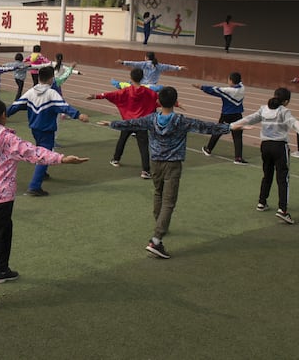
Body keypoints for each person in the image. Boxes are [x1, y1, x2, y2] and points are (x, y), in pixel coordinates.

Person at [0, 99, 88, 311]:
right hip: (1, 198)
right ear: (3, 115)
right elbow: (34, 153)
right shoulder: (7, 138)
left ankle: (2, 270)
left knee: (6, 228)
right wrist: (63, 159)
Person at [100, 86, 234, 258]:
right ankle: (156, 239)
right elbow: (206, 127)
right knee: (169, 201)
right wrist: (231, 127)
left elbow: (132, 123)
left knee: (158, 193)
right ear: (175, 102)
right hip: (173, 164)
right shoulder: (181, 120)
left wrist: (111, 123)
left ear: (158, 101)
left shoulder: (151, 119)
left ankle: (160, 223)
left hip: (155, 162)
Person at [6, 66, 90, 196]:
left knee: (41, 150)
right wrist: (78, 115)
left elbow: (16, 106)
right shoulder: (52, 93)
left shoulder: (30, 92)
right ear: (52, 79)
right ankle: (34, 186)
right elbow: (64, 107)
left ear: (39, 78)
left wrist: (4, 114)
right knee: (45, 154)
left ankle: (43, 172)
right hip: (47, 130)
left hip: (35, 129)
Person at [232, 88, 299, 225]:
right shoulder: (284, 111)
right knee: (283, 178)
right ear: (286, 101)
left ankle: (262, 201)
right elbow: (293, 122)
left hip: (265, 146)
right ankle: (282, 210)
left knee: (267, 174)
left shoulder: (263, 109)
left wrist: (235, 124)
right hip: (279, 147)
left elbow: (250, 118)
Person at [86, 67, 158, 179]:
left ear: (130, 77)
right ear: (142, 77)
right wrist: (176, 103)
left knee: (122, 140)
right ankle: (145, 171)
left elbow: (112, 95)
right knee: (143, 147)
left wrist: (96, 96)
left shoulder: (127, 91)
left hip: (128, 122)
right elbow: (161, 99)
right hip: (141, 123)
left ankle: (115, 159)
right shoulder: (149, 92)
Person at [196, 72, 248, 164]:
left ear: (231, 81)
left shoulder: (228, 91)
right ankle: (238, 157)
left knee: (218, 131)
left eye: (229, 79)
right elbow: (240, 83)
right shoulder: (242, 89)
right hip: (238, 115)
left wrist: (201, 87)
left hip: (226, 115)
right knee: (237, 136)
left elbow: (213, 90)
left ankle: (208, 149)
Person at [116, 52, 186, 86]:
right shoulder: (158, 65)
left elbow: (134, 63)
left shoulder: (144, 64)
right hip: (152, 87)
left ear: (147, 58)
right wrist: (179, 68)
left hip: (143, 85)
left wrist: (123, 62)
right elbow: (168, 67)